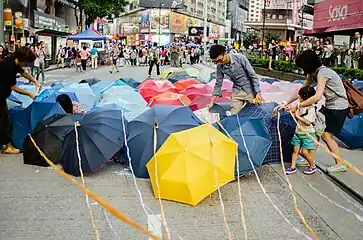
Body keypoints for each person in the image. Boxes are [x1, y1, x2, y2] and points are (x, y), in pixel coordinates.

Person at [276, 50, 349, 173]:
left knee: (326, 135)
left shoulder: (323, 73)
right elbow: (301, 90)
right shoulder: (313, 74)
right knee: (315, 130)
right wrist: (285, 103)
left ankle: (340, 163)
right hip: (329, 106)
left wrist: (297, 106)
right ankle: (309, 157)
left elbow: (317, 97)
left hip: (338, 107)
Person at [0, 47, 40, 154]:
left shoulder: (14, 61)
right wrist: (29, 94)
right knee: (5, 120)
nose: (27, 65)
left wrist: (35, 81)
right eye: (27, 62)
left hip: (2, 94)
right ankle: (5, 146)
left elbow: (23, 73)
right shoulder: (8, 66)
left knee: (4, 118)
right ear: (22, 59)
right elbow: (13, 87)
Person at [207, 44, 262, 114]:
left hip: (250, 90)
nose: (219, 63)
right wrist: (211, 102)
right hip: (237, 91)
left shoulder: (240, 58)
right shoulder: (220, 66)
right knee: (233, 115)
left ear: (225, 53)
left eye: (220, 60)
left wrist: (258, 92)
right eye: (216, 62)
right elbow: (218, 83)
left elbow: (252, 75)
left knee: (255, 112)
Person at [286, 86, 317, 175]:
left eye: (300, 96)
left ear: (305, 97)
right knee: (295, 151)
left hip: (307, 133)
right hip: (298, 132)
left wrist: (298, 116)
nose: (298, 98)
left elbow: (308, 122)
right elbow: (294, 111)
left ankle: (312, 166)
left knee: (305, 152)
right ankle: (292, 167)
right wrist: (290, 109)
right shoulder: (300, 106)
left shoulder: (311, 109)